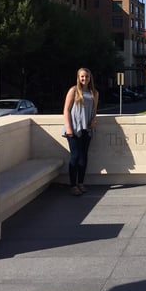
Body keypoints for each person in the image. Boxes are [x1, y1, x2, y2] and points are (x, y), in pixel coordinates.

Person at [63, 68, 99, 196]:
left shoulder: (94, 92)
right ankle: (73, 185)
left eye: (87, 77)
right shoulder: (73, 91)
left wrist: (93, 120)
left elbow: (94, 110)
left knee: (83, 157)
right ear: (78, 78)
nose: (85, 79)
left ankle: (81, 183)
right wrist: (68, 128)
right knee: (75, 156)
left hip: (86, 128)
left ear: (90, 78)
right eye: (82, 76)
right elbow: (66, 110)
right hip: (73, 128)